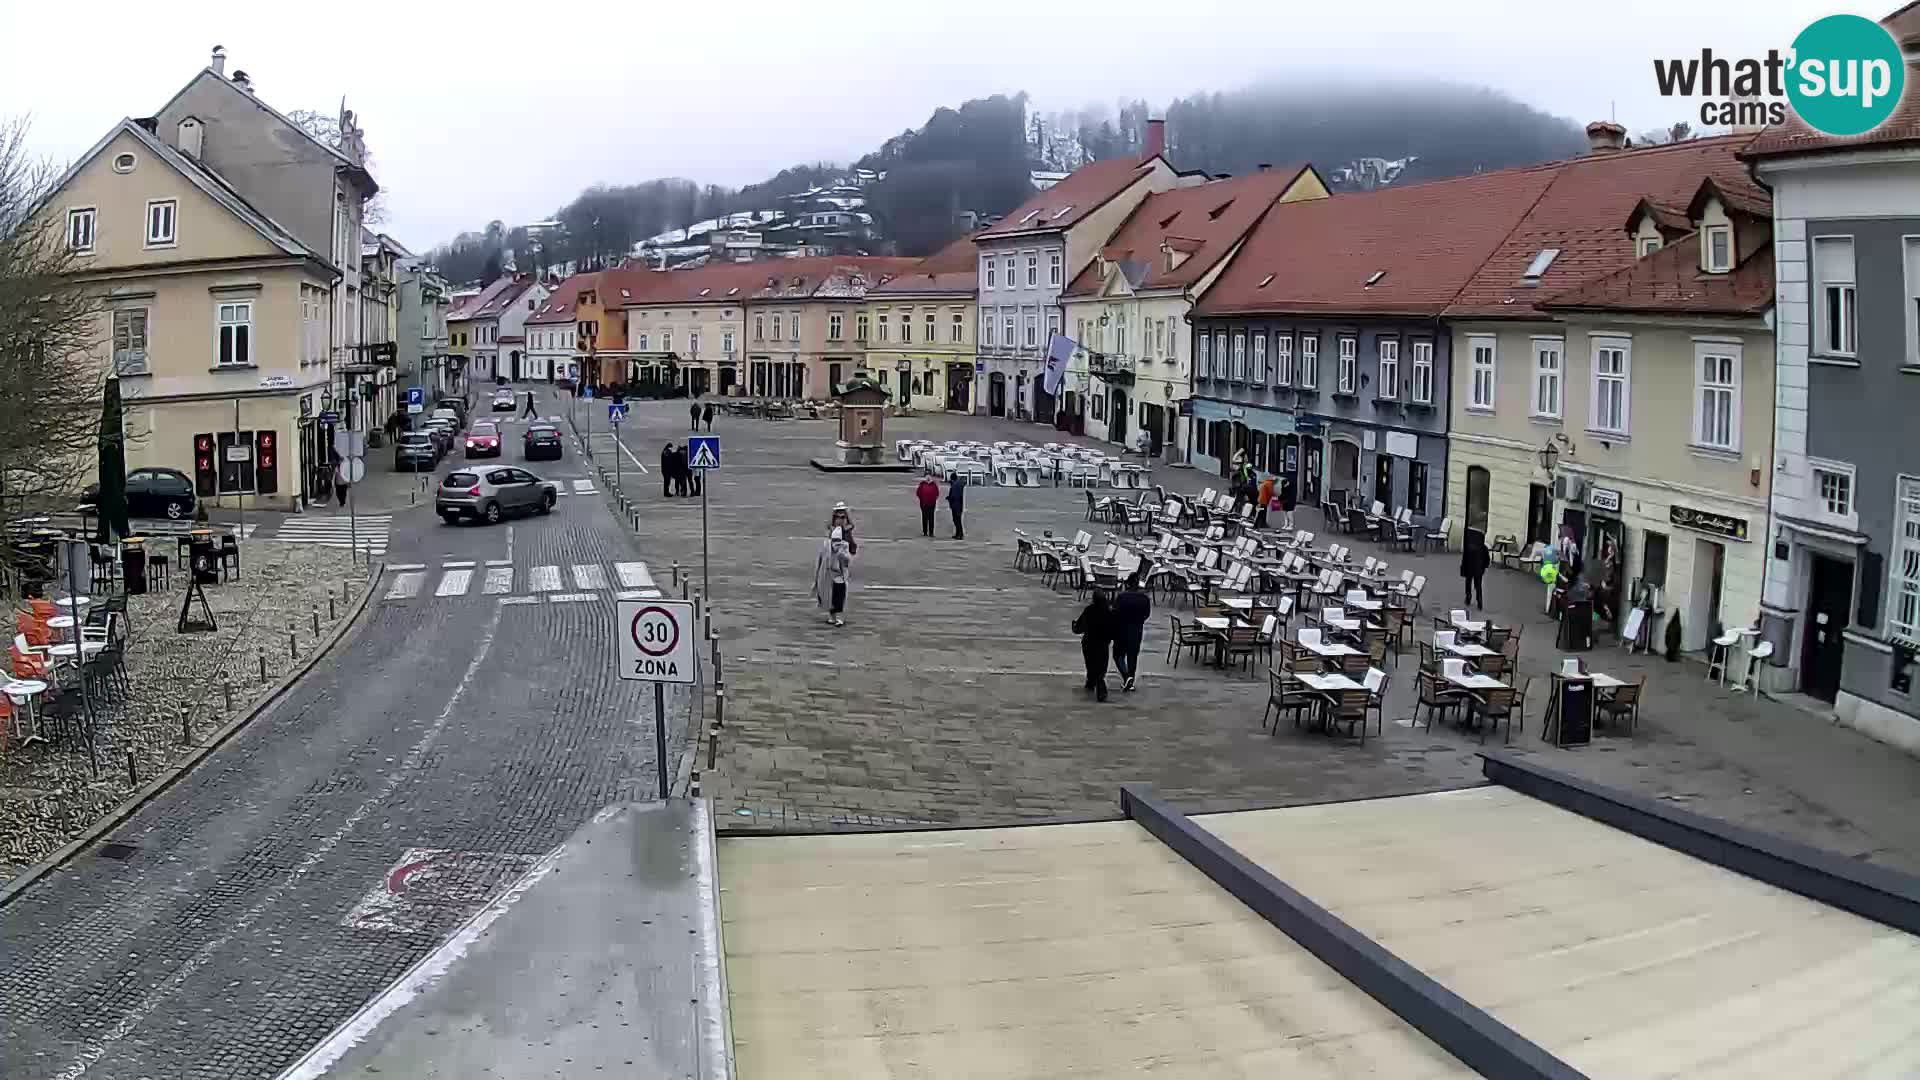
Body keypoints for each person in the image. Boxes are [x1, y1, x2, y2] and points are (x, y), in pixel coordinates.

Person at [1110, 573, 1153, 691]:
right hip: (1137, 631)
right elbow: (1146, 615)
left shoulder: (1122, 597)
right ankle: (1131, 681)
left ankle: (1126, 676)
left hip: (1122, 630)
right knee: (1132, 657)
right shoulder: (1144, 599)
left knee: (1118, 655)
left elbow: (1115, 613)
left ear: (1127, 584)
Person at [1072, 590, 1115, 701]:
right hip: (1103, 643)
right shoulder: (1109, 612)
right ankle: (1096, 682)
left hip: (1089, 642)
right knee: (1101, 666)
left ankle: (1092, 682)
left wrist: (1074, 626)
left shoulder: (1089, 610)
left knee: (1091, 664)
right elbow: (1113, 628)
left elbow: (1079, 627)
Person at [813, 526, 853, 627]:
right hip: (827, 575)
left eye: (838, 540)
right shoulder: (825, 547)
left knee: (839, 597)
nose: (836, 543)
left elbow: (847, 561)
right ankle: (832, 616)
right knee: (829, 597)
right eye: (834, 540)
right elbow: (820, 560)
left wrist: (841, 554)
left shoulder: (844, 546)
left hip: (839, 576)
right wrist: (816, 577)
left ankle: (839, 618)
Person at [1462, 527, 1491, 610]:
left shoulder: (1468, 546)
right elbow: (1487, 560)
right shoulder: (1483, 547)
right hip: (1478, 570)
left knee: (1468, 583)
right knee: (1478, 585)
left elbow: (1465, 558)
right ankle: (1479, 601)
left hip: (1470, 568)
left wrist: (1464, 567)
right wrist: (1483, 568)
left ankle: (1468, 598)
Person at [947, 473, 967, 540]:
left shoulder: (955, 485)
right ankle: (958, 534)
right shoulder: (958, 484)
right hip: (959, 505)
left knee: (957, 520)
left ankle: (960, 534)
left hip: (956, 505)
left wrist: (949, 498)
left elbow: (954, 496)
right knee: (957, 520)